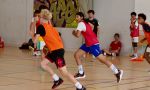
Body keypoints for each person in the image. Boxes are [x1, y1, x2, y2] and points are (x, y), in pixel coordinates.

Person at [34, 9, 86, 90]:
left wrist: (33, 24)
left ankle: (80, 87)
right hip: (56, 50)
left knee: (64, 72)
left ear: (42, 17)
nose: (38, 18)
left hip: (57, 51)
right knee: (43, 64)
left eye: (39, 16)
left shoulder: (40, 27)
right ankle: (57, 79)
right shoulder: (50, 27)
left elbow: (35, 41)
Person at [72, 12, 123, 83]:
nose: (76, 18)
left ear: (81, 17)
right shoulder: (86, 22)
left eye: (77, 17)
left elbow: (77, 35)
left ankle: (117, 71)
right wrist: (89, 34)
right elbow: (92, 27)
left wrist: (73, 32)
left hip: (93, 44)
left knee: (103, 60)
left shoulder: (81, 24)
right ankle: (81, 73)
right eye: (76, 17)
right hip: (88, 43)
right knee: (76, 55)